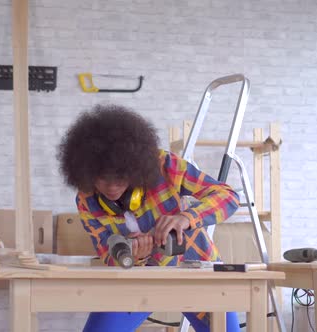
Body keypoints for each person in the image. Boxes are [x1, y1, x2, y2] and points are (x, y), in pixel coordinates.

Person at [57, 104, 241, 332]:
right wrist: (135, 256)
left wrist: (186, 217)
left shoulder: (165, 166)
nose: (112, 187)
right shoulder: (86, 200)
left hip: (195, 270)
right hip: (136, 280)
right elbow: (107, 255)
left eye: (120, 178)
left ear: (135, 169)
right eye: (103, 180)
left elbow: (229, 197)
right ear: (87, 174)